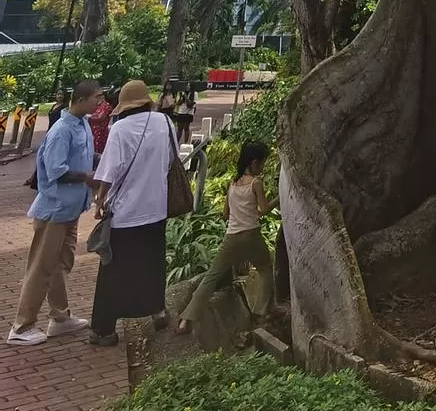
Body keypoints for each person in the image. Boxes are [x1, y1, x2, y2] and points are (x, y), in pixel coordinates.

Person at [7, 78, 102, 346]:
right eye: (97, 97)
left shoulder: (82, 123)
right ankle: (21, 326)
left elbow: (86, 156)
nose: (100, 102)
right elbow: (56, 170)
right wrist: (88, 177)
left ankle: (60, 317)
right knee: (41, 267)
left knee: (61, 264)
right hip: (55, 210)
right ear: (81, 99)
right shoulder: (61, 130)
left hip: (71, 210)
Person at [88, 79, 176, 348]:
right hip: (156, 208)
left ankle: (103, 330)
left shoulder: (120, 129)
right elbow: (171, 161)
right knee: (152, 262)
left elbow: (108, 172)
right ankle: (158, 312)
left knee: (113, 270)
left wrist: (100, 199)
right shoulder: (165, 123)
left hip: (126, 213)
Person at [177, 141, 273, 336]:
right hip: (251, 235)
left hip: (232, 236)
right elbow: (263, 210)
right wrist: (275, 201)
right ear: (254, 162)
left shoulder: (232, 184)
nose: (262, 167)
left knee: (212, 276)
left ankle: (186, 319)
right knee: (265, 269)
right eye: (262, 163)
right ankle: (261, 313)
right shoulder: (256, 183)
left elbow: (225, 215)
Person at [88, 87, 115, 157]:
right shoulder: (98, 106)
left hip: (101, 132)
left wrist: (88, 117)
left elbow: (100, 117)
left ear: (102, 96)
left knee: (99, 151)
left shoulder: (106, 106)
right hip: (93, 132)